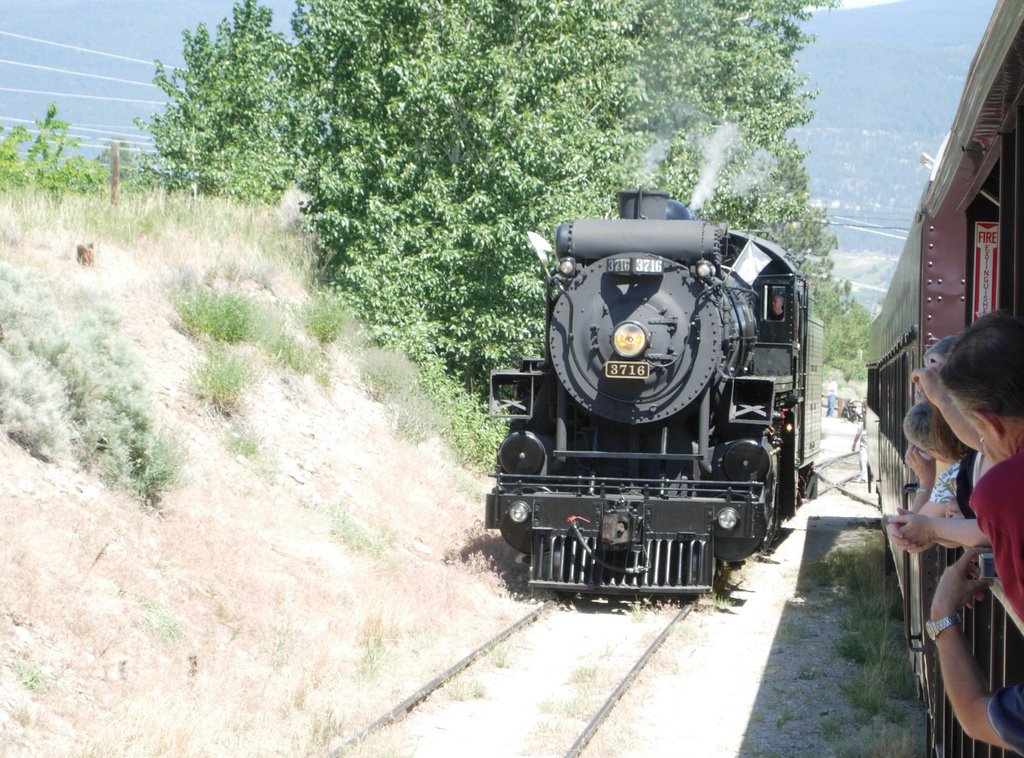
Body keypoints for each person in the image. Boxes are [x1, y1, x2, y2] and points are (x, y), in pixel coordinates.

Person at [914, 313, 1024, 752]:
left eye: (976, 431)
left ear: (990, 425)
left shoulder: (1003, 491)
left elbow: (980, 719)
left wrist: (942, 616)